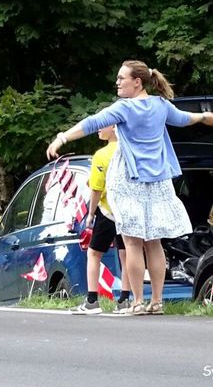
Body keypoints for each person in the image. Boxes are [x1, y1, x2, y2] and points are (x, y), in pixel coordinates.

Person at [47, 60, 213, 316]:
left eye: (122, 78)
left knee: (132, 243)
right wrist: (205, 117)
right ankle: (158, 301)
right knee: (154, 243)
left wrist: (62, 137)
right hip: (159, 182)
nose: (117, 82)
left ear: (136, 82)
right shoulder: (161, 105)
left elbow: (91, 123)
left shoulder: (124, 108)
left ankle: (138, 301)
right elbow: (185, 119)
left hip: (130, 181)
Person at [69, 125, 130, 315]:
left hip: (107, 209)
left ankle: (92, 300)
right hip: (128, 210)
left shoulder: (101, 155)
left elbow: (96, 188)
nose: (98, 130)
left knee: (94, 254)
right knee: (126, 253)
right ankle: (126, 300)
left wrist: (90, 214)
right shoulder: (130, 150)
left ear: (113, 127)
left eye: (103, 126)